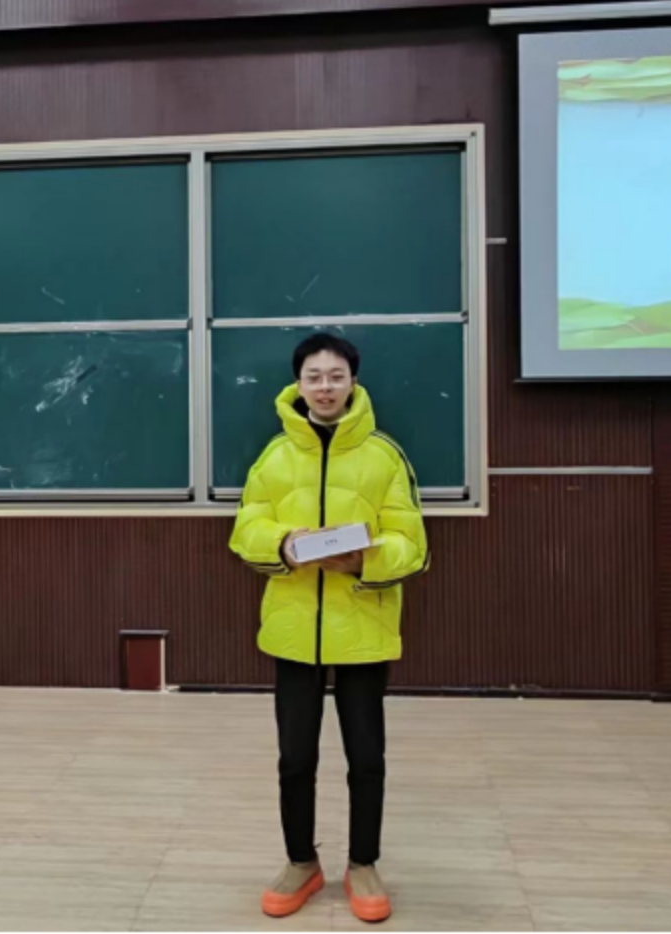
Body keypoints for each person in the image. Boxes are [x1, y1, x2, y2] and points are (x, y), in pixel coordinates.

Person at [229, 333, 429, 924]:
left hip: (363, 626)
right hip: (293, 630)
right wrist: (283, 544)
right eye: (314, 377)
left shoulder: (384, 456)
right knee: (295, 758)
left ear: (352, 382)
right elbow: (245, 529)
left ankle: (363, 864)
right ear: (298, 383)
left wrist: (363, 560)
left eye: (335, 376)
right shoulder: (273, 457)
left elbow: (412, 544)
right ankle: (301, 862)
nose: (324, 387)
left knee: (366, 757)